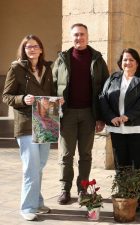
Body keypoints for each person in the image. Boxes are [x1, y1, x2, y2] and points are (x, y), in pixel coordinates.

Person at [52, 23, 109, 204]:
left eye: (82, 34)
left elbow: (105, 90)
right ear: (72, 37)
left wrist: (101, 116)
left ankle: (83, 189)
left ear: (87, 36)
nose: (79, 38)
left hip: (88, 115)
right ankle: (64, 189)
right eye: (76, 35)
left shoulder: (98, 59)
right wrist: (53, 113)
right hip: (66, 114)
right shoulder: (62, 59)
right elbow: (52, 86)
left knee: (85, 155)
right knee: (66, 155)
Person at [2, 35, 55, 221]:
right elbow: (7, 96)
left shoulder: (48, 68)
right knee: (30, 167)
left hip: (46, 123)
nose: (31, 49)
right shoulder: (16, 68)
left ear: (41, 49)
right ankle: (27, 207)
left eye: (35, 46)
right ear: (24, 50)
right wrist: (22, 99)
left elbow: (51, 93)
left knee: (39, 165)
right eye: (28, 47)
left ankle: (38, 202)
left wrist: (58, 100)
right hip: (25, 123)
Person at [99, 48, 140, 210]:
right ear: (120, 63)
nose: (127, 63)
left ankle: (136, 199)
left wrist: (128, 116)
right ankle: (124, 195)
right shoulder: (113, 77)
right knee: (121, 164)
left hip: (138, 128)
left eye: (131, 60)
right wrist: (111, 117)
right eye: (124, 60)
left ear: (137, 62)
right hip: (117, 129)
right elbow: (102, 98)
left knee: (138, 165)